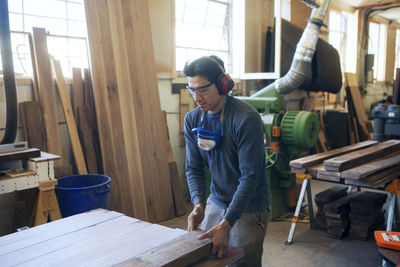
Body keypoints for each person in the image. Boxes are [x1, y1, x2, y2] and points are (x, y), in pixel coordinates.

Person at [183, 55, 271, 266]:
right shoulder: (192, 119)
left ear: (223, 85)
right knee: (209, 258)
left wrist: (226, 224)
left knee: (241, 262)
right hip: (217, 200)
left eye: (202, 90)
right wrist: (198, 203)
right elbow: (193, 168)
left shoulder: (245, 119)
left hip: (250, 206)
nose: (197, 97)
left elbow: (249, 177)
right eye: (191, 90)